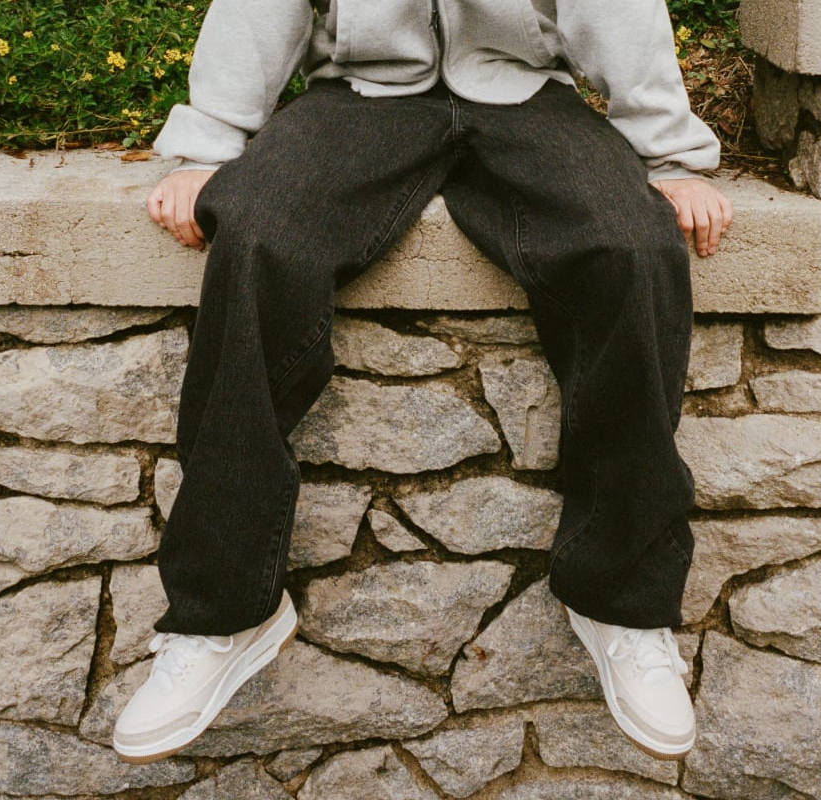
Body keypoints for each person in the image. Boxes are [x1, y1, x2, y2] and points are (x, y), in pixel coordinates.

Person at [112, 0, 732, 766]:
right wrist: (206, 143)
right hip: (360, 97)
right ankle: (222, 616)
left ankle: (625, 605)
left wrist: (671, 161)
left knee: (633, 249)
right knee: (257, 236)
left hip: (526, 96)